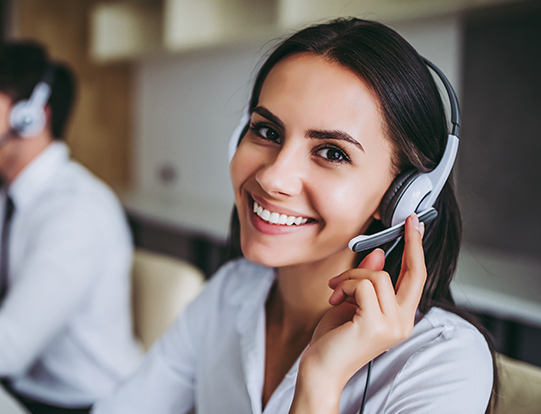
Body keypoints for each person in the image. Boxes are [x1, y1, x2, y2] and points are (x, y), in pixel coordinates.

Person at [93, 18, 496, 414]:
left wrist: (321, 381)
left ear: (401, 196)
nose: (273, 178)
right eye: (267, 131)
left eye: (332, 153)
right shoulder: (230, 294)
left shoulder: (442, 365)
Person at [0, 42, 141, 413]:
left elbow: (7, 349)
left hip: (82, 403)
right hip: (26, 389)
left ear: (30, 115)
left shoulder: (76, 211)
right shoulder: (12, 197)